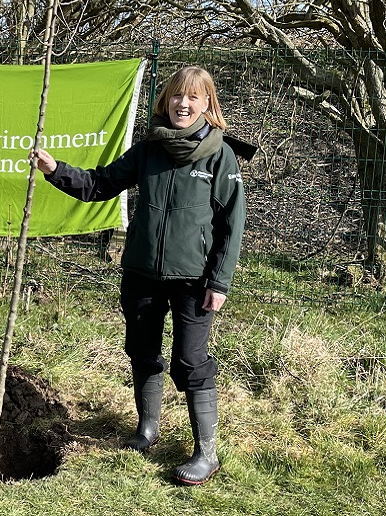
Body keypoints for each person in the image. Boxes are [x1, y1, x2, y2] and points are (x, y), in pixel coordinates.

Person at [30, 66, 246, 486]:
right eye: (176, 97)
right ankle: (147, 429)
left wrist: (219, 282)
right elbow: (99, 184)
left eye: (193, 98)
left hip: (194, 281)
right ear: (166, 102)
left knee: (191, 360)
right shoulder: (149, 149)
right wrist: (55, 169)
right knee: (142, 349)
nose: (183, 104)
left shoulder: (221, 155)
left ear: (207, 105)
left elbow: (231, 225)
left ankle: (206, 453)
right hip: (142, 273)